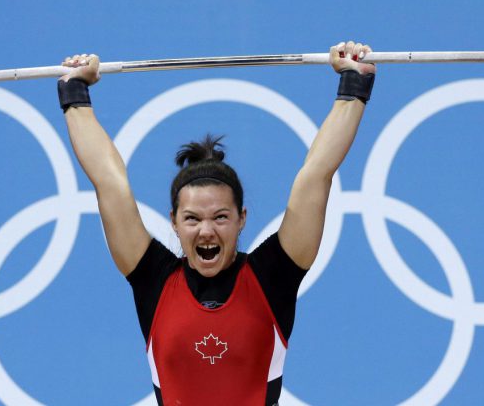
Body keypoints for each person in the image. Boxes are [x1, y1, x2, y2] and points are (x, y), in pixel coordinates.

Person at [58, 42, 375, 405]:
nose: (206, 231)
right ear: (173, 223)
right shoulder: (154, 280)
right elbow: (109, 182)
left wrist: (354, 84)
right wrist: (74, 91)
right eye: (192, 218)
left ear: (242, 219)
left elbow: (316, 175)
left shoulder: (273, 276)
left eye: (220, 217)